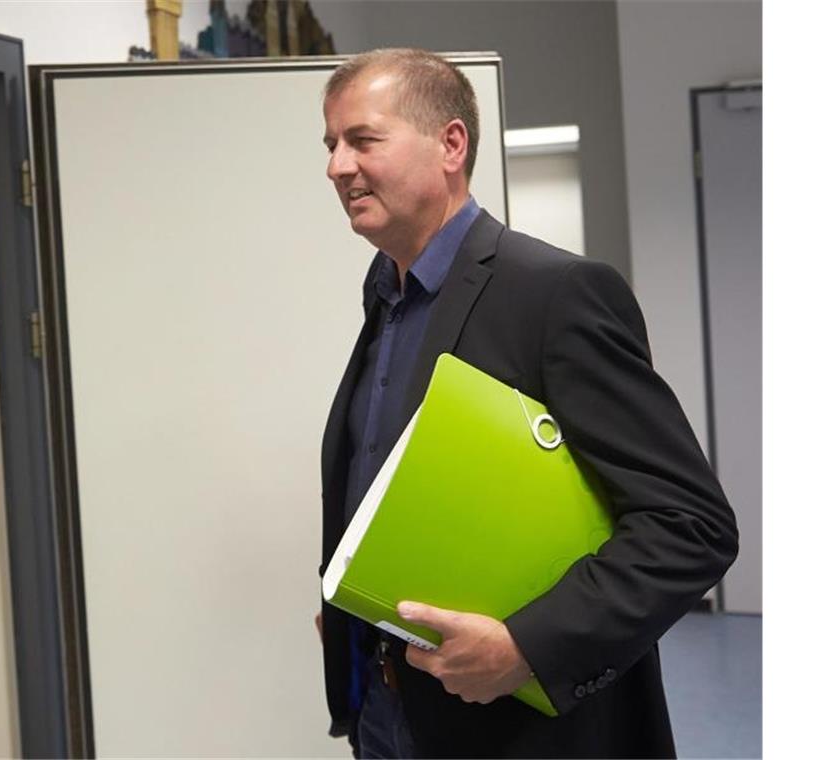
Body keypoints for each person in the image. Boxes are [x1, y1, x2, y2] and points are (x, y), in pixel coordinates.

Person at [316, 49, 738, 758]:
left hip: (524, 733)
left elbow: (690, 526)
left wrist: (526, 647)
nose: (336, 167)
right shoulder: (385, 300)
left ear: (451, 144)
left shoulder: (553, 294)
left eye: (362, 140)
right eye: (330, 145)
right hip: (389, 716)